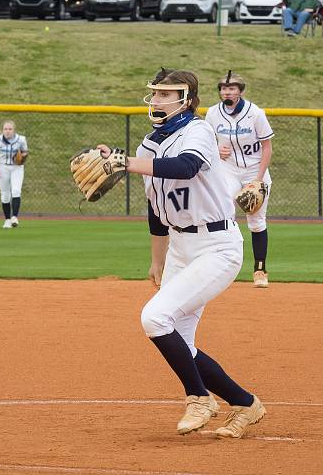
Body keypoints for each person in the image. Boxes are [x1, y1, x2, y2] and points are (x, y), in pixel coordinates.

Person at [97, 68, 265, 438]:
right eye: (154, 93)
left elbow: (186, 167)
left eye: (165, 94)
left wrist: (125, 162)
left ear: (186, 100)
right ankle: (247, 404)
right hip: (180, 248)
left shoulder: (199, 131)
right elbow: (156, 210)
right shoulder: (147, 146)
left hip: (217, 246)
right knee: (180, 340)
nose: (156, 100)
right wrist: (158, 259)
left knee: (154, 318)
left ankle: (199, 398)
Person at [205, 72, 274, 289]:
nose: (227, 91)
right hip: (228, 170)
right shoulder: (213, 113)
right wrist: (216, 150)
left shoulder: (255, 113)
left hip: (255, 169)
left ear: (240, 91)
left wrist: (258, 180)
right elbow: (205, 143)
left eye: (232, 88)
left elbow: (267, 147)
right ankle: (220, 267)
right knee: (223, 213)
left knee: (256, 221)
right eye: (224, 88)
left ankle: (260, 270)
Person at [0, 120, 28, 229]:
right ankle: (7, 219)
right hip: (3, 167)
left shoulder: (21, 139)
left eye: (10, 129)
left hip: (17, 168)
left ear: (14, 130)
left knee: (16, 190)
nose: (7, 131)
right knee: (5, 194)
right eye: (5, 129)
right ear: (2, 130)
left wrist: (21, 157)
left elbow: (25, 152)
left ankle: (14, 217)